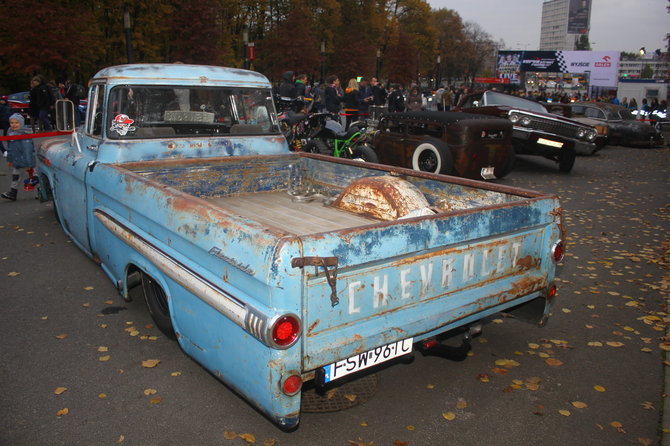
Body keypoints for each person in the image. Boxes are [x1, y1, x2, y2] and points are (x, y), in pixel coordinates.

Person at [1, 114, 38, 201]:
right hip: (17, 160)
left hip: (27, 161)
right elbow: (10, 148)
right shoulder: (11, 133)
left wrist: (28, 163)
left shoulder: (24, 135)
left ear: (21, 123)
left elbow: (28, 150)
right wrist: (10, 159)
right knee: (15, 176)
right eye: (12, 123)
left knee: (34, 177)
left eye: (16, 123)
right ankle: (13, 193)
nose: (14, 125)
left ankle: (40, 192)